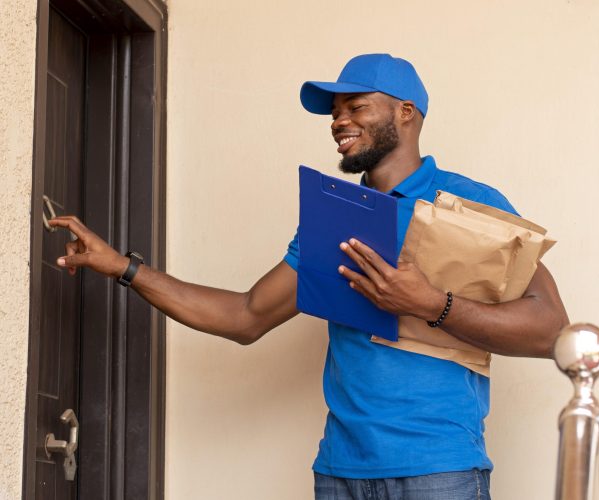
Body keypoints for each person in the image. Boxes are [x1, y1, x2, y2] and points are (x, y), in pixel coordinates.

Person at [49, 53, 569, 500]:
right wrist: (122, 266)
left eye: (356, 106)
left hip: (438, 470)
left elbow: (549, 329)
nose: (338, 121)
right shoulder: (334, 216)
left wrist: (430, 302)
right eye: (335, 113)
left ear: (406, 113)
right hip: (339, 473)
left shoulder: (469, 203)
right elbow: (245, 316)